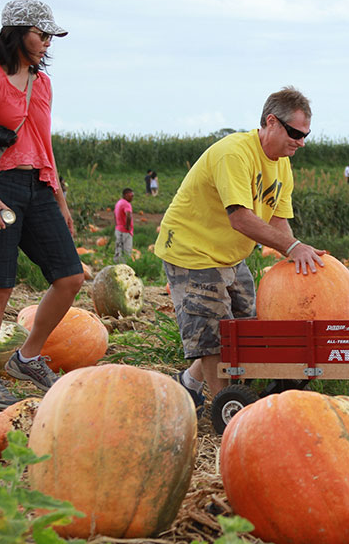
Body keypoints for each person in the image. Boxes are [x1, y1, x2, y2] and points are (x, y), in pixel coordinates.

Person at [155, 87, 324, 410]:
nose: (300, 142)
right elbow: (241, 219)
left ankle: (188, 384)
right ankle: (224, 409)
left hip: (230, 256)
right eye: (295, 133)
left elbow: (278, 222)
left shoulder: (281, 163)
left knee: (247, 331)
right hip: (193, 250)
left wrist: (297, 259)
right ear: (271, 122)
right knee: (213, 336)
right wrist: (293, 247)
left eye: (305, 135)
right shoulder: (235, 154)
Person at [0, 0, 84, 408]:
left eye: (51, 36)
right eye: (42, 34)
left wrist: (60, 198)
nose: (47, 43)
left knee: (70, 277)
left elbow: (44, 145)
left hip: (40, 185)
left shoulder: (43, 83)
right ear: (17, 32)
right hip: (0, 184)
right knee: (0, 286)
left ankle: (26, 356)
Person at [114, 187, 134, 262]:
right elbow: (128, 215)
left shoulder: (119, 202)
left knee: (118, 249)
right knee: (127, 251)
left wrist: (117, 224)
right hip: (125, 231)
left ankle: (116, 265)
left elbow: (114, 214)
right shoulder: (127, 204)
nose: (132, 198)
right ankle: (126, 267)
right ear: (126, 195)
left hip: (118, 229)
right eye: (131, 195)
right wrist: (127, 226)